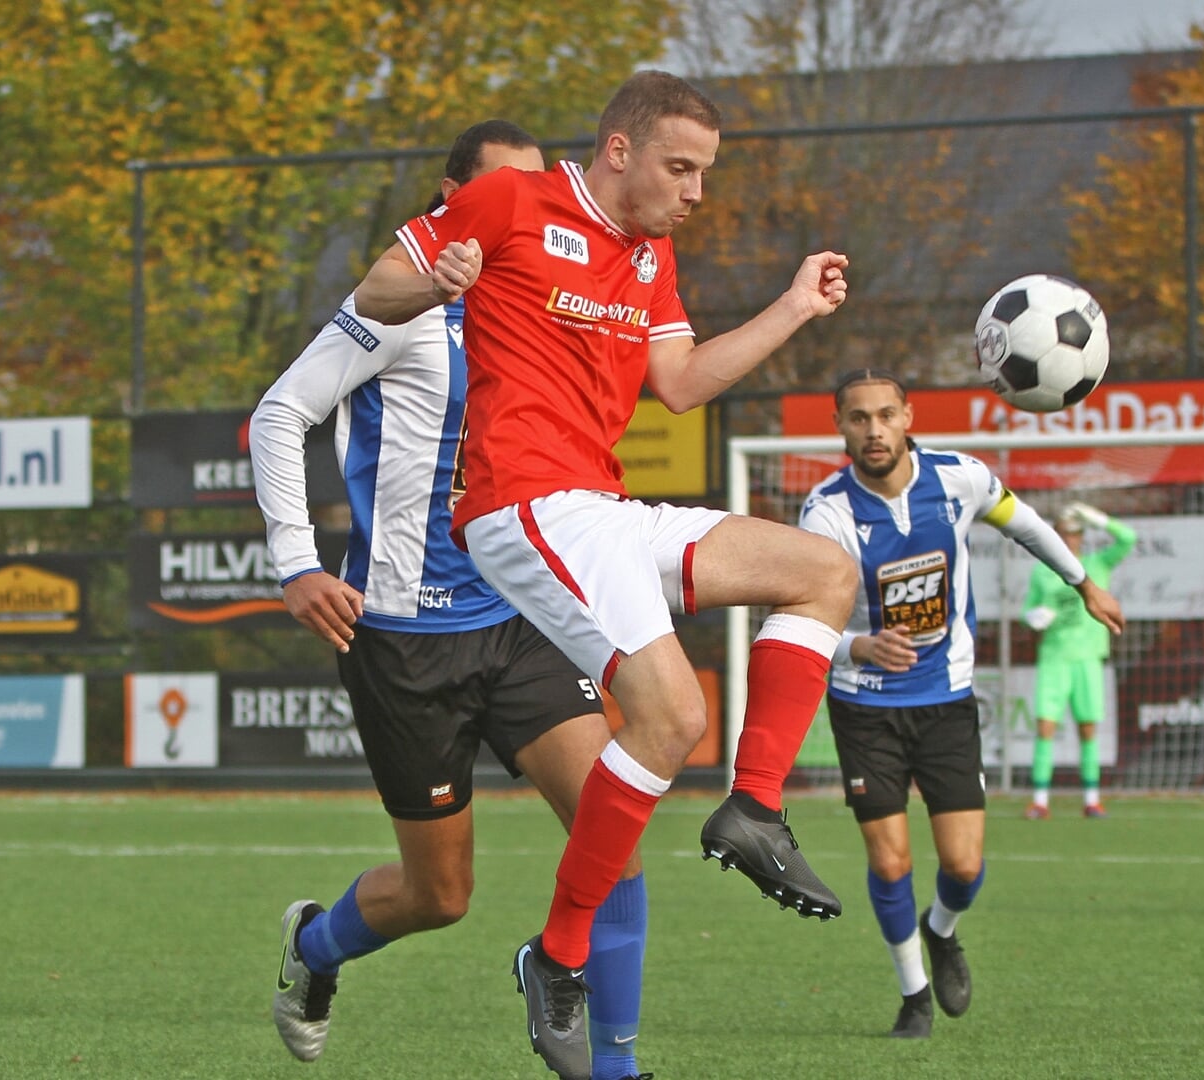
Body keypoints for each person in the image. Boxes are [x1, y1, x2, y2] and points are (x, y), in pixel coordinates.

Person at [356, 70, 856, 1079]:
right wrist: (437, 278)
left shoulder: (650, 257)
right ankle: (559, 953)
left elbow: (677, 386)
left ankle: (752, 808)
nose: (695, 192)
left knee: (823, 573)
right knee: (670, 720)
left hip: (603, 510)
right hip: (520, 505)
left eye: (704, 173)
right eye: (681, 167)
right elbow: (373, 290)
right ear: (618, 149)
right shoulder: (509, 199)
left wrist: (793, 308)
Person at [253, 121, 653, 1080]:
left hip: (519, 619)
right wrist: (297, 563)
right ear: (450, 198)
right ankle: (314, 948)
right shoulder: (398, 305)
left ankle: (614, 1067)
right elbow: (280, 412)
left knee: (615, 826)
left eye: (536, 197)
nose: (524, 215)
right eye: (502, 195)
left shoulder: (542, 306)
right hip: (403, 638)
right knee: (440, 895)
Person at [797, 369, 1123, 1039]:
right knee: (890, 862)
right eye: (858, 418)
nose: (874, 429)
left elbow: (1025, 524)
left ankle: (940, 929)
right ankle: (913, 993)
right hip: (864, 705)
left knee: (964, 866)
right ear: (839, 427)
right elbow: (801, 619)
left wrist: (1084, 583)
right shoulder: (826, 512)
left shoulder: (959, 480)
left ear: (908, 416)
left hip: (945, 698)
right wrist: (858, 646)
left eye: (885, 414)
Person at [1023, 502, 1136, 819]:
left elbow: (1128, 538)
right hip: (1054, 659)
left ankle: (1091, 800)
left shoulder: (1097, 565)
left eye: (1075, 533)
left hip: (1087, 659)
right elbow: (1026, 612)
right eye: (1064, 534)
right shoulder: (1042, 572)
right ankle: (1040, 801)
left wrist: (1100, 518)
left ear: (1082, 537)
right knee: (1045, 726)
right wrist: (1034, 617)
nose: (1070, 540)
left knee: (1088, 729)